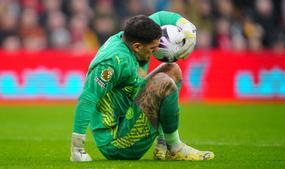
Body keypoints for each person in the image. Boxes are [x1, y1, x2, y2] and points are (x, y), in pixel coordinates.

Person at [70, 11, 215, 161]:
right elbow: (87, 99)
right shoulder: (113, 62)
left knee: (172, 70)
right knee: (162, 82)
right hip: (116, 142)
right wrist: (77, 149)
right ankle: (175, 147)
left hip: (130, 116)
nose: (156, 53)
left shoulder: (134, 35)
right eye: (153, 49)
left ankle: (163, 145)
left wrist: (187, 27)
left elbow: (160, 17)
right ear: (137, 47)